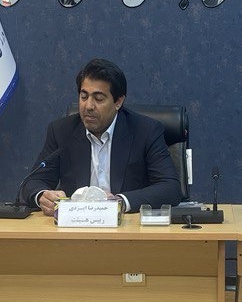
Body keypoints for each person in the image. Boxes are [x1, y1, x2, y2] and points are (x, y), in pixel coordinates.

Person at [20, 58, 182, 216]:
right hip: (76, 227)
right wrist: (42, 196)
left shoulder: (145, 131)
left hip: (127, 227)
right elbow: (32, 182)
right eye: (84, 97)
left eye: (98, 99)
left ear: (118, 102)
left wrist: (120, 202)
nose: (88, 106)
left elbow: (170, 188)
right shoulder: (62, 131)